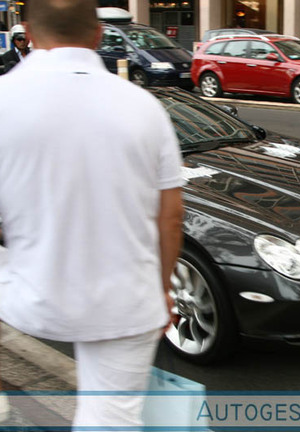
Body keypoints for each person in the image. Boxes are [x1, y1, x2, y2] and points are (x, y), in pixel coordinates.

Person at [0, 0, 184, 429]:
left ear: (25, 34)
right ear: (99, 35)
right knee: (111, 418)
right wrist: (162, 292)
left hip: (26, 292)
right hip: (126, 299)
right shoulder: (145, 108)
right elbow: (170, 216)